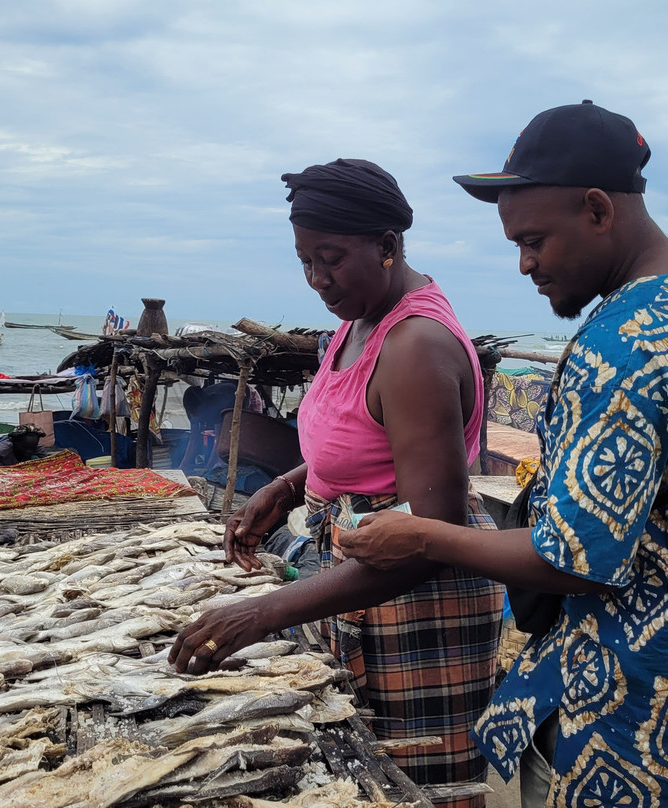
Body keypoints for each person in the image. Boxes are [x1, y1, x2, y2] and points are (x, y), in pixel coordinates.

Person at [338, 101, 668, 808]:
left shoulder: (624, 345)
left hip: (625, 721)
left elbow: (571, 561)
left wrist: (422, 534)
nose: (524, 265)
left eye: (535, 240)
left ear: (599, 210)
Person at [170, 159, 504, 808]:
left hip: (414, 610)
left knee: (413, 790)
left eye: (331, 258)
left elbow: (428, 539)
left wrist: (261, 612)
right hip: (353, 585)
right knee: (349, 781)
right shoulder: (354, 324)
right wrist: (291, 487)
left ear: (387, 246)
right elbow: (362, 444)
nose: (318, 280)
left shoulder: (415, 347)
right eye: (305, 262)